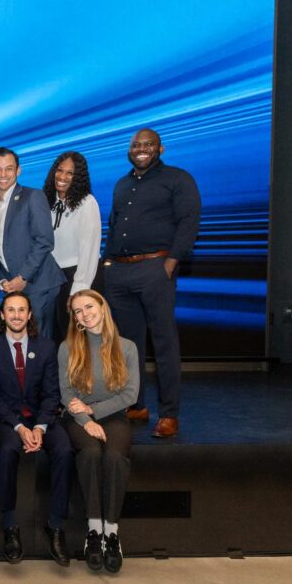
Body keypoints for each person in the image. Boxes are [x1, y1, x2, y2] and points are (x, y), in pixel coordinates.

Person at [103, 128, 201, 438]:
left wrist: (171, 262)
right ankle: (136, 406)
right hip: (120, 271)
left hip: (156, 269)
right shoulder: (122, 184)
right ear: (129, 150)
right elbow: (114, 225)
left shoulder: (178, 179)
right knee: (128, 346)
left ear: (161, 148)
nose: (141, 149)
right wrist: (107, 263)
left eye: (148, 144)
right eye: (136, 145)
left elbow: (189, 220)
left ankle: (169, 414)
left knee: (164, 343)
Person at [0, 292, 73, 567]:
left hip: (41, 418)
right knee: (8, 449)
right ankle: (10, 526)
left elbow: (52, 393)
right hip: (6, 420)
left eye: (22, 310)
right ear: (2, 315)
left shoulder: (45, 347)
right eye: (11, 310)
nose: (17, 315)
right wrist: (19, 427)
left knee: (64, 450)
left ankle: (55, 525)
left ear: (30, 314)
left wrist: (40, 428)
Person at [59, 289, 139, 574]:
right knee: (91, 453)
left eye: (89, 307)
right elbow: (66, 394)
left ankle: (111, 533)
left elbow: (130, 395)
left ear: (102, 307)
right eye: (78, 311)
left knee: (115, 457)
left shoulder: (127, 347)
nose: (85, 314)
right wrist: (86, 419)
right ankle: (94, 530)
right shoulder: (68, 347)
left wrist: (95, 411)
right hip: (77, 417)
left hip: (113, 416)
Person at [0, 147, 65, 338]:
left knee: (39, 341)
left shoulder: (33, 196)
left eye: (9, 169)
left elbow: (44, 241)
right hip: (11, 287)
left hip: (39, 284)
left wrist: (23, 277)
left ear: (18, 170)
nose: (3, 174)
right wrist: (2, 280)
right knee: (15, 342)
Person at [43, 152, 101, 344]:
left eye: (70, 173)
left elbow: (89, 250)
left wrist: (79, 290)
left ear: (78, 178)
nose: (62, 177)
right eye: (60, 170)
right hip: (53, 277)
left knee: (78, 338)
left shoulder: (87, 203)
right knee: (57, 336)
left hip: (77, 275)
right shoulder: (46, 202)